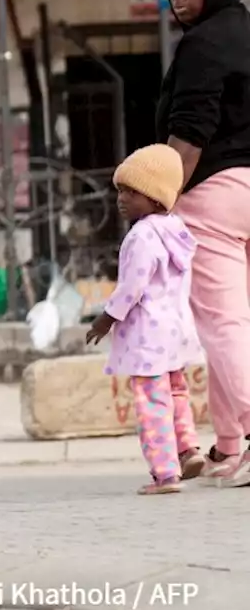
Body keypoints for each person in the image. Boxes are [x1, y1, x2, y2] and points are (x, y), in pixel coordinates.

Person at [156, 0, 250, 486]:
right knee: (236, 324)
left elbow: (188, 136)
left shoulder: (200, 46)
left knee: (222, 325)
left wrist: (156, 201)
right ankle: (230, 445)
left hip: (213, 196)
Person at [86, 145, 202, 494]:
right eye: (120, 189)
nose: (121, 198)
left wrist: (105, 319)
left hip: (148, 338)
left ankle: (165, 473)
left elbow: (131, 287)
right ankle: (188, 449)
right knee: (177, 392)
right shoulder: (175, 230)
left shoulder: (141, 237)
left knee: (152, 403)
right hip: (176, 331)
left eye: (131, 192)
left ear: (155, 198)